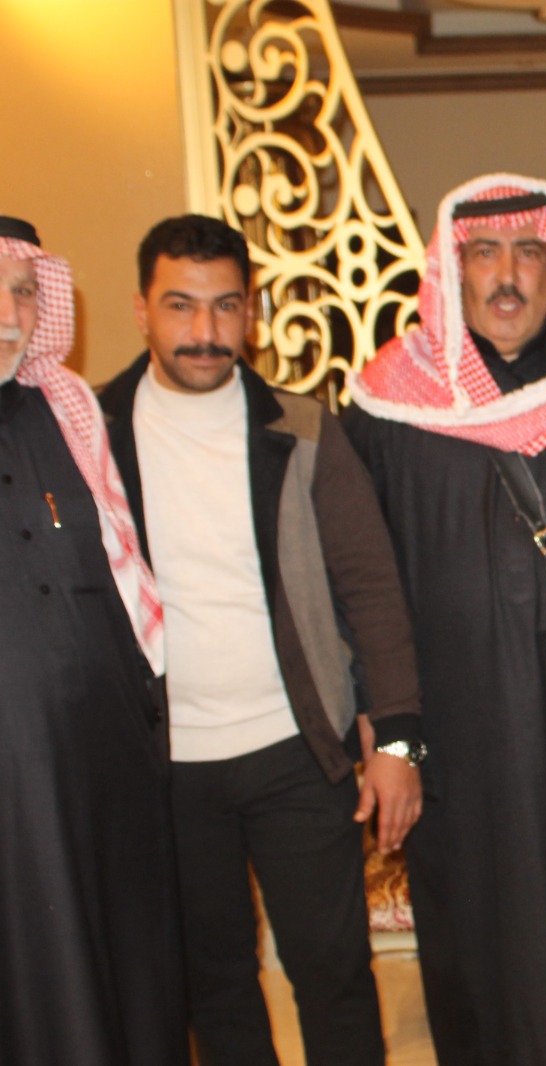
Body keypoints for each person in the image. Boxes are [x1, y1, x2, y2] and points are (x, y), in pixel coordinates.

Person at [97, 214, 423, 1066]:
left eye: (225, 306)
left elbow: (373, 590)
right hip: (165, 767)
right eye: (180, 305)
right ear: (141, 309)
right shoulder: (91, 432)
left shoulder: (305, 427)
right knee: (213, 984)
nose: (204, 331)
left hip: (297, 754)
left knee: (334, 972)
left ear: (252, 311)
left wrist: (398, 744)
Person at [344, 174, 546, 1066]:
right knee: (480, 949)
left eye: (528, 254)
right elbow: (359, 585)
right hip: (459, 741)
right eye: (484, 254)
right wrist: (390, 735)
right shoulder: (388, 405)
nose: (507, 276)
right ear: (453, 271)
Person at [0, 215, 186, 1064]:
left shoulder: (69, 410)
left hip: (106, 768)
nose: (11, 315)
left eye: (23, 291)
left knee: (129, 975)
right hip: (14, 791)